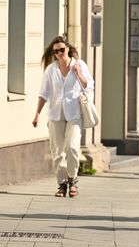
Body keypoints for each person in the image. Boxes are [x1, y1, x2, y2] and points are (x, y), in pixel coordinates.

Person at [32, 36, 95, 197]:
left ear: (67, 48)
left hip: (74, 113)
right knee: (57, 151)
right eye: (56, 51)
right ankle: (62, 184)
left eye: (62, 50)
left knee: (72, 147)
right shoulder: (51, 70)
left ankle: (72, 179)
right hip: (55, 114)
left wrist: (78, 74)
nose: (59, 53)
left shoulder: (79, 65)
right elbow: (43, 93)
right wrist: (37, 114)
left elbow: (88, 85)